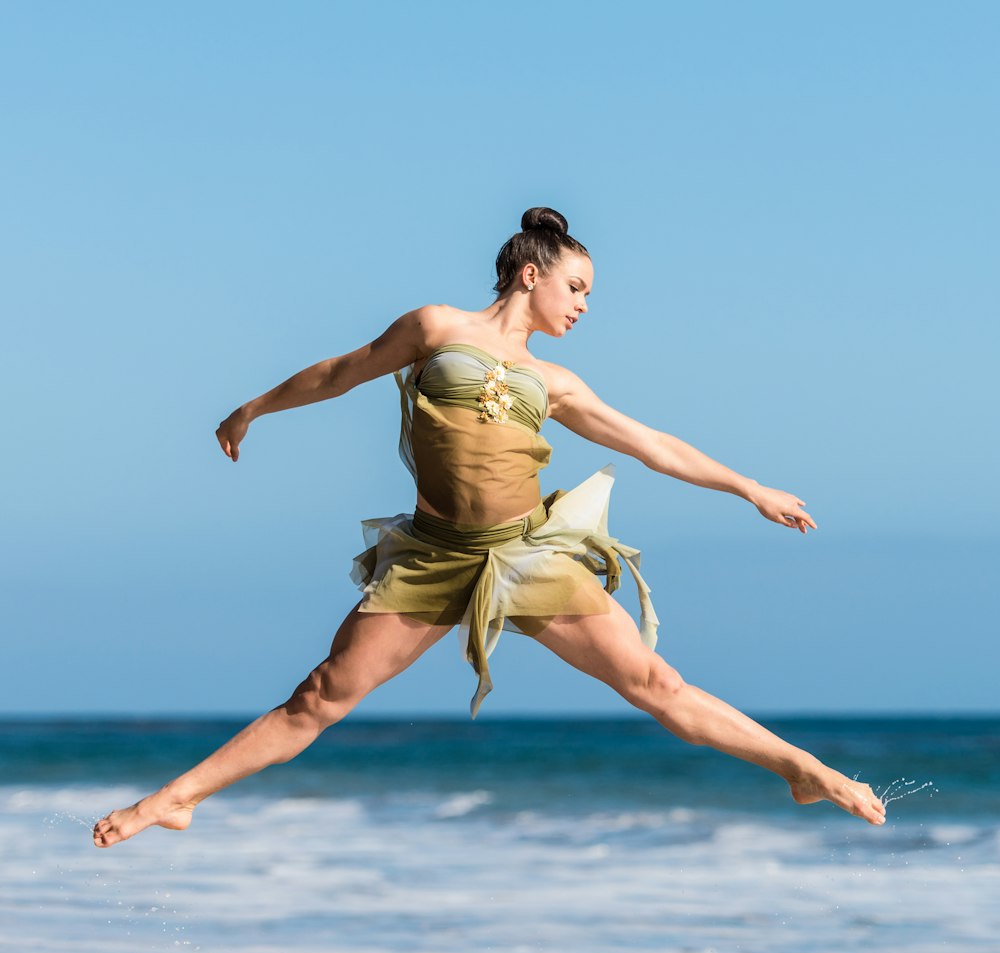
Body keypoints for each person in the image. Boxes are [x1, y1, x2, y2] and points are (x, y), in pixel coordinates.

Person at [93, 206, 886, 848]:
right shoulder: (436, 327)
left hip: (526, 556)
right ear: (530, 274)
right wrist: (254, 407)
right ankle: (172, 800)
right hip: (435, 558)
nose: (581, 306)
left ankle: (802, 767)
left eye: (588, 297)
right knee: (320, 697)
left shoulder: (556, 381)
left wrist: (749, 487)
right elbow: (340, 372)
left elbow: (653, 445)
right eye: (576, 287)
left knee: (656, 684)